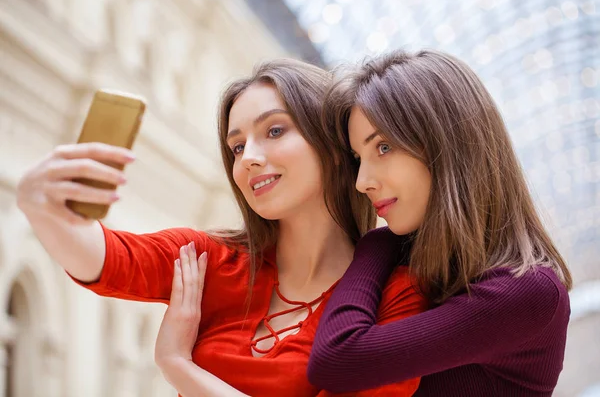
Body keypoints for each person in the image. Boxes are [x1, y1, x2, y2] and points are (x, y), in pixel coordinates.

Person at [16, 58, 425, 396]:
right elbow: (109, 258)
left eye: (274, 131)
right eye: (237, 146)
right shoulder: (214, 260)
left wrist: (178, 366)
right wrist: (44, 208)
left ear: (335, 148)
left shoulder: (397, 295)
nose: (248, 157)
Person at [306, 49, 572, 397]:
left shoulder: (528, 291)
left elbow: (339, 357)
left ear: (447, 146)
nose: (362, 181)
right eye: (359, 158)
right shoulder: (409, 254)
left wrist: (376, 244)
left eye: (383, 147)